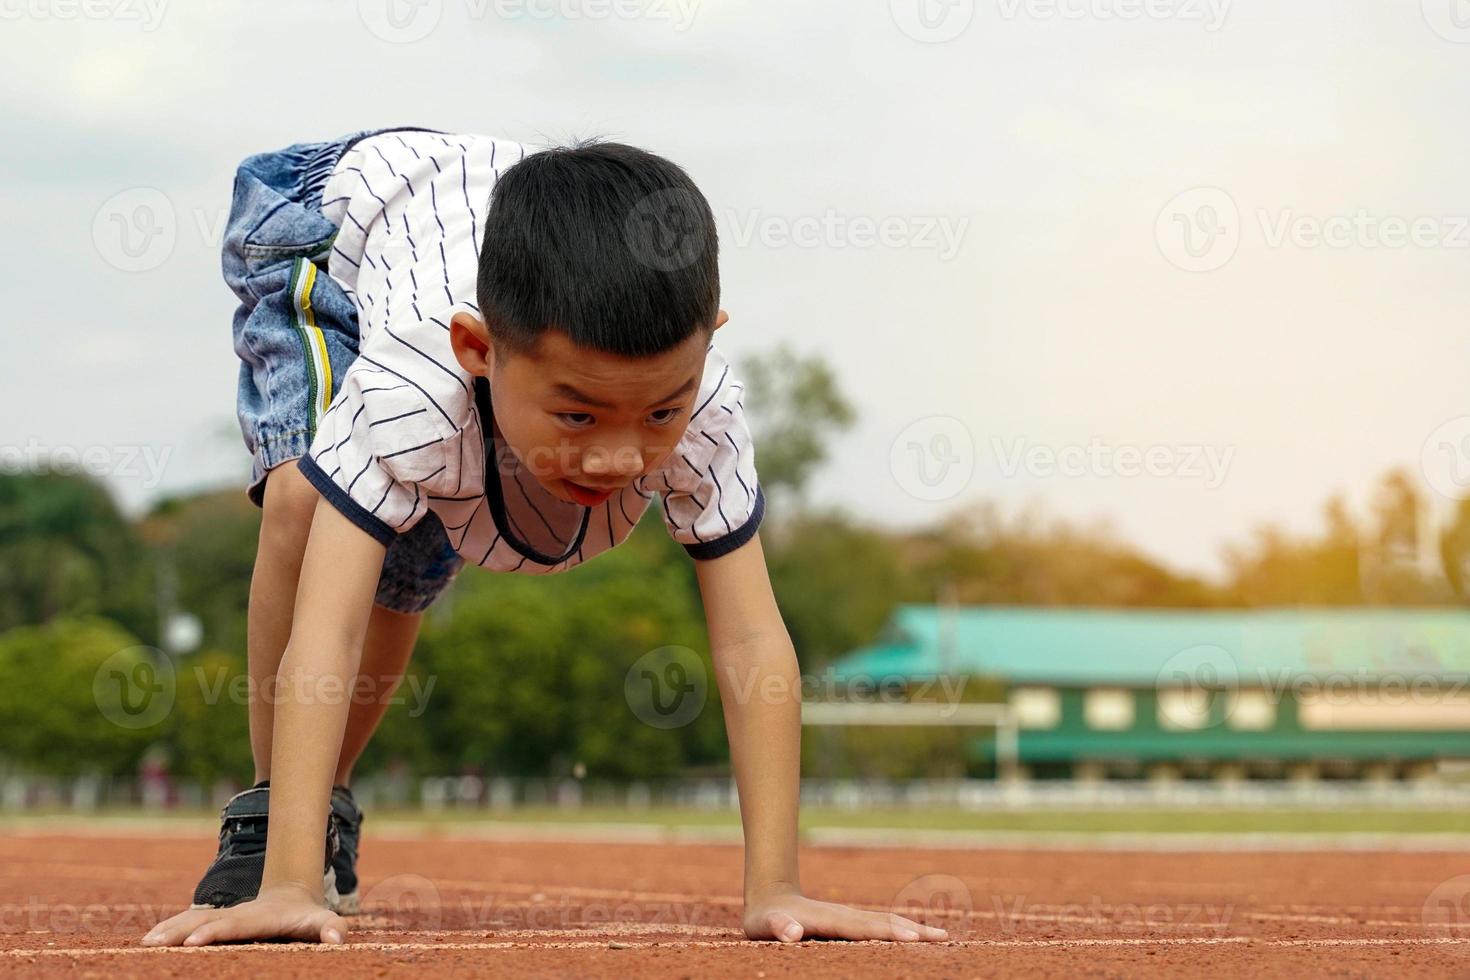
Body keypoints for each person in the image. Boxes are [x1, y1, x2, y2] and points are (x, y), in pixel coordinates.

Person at [141, 126, 947, 947]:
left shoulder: (707, 414)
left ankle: (329, 807)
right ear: (478, 350)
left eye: (659, 410)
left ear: (709, 342)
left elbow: (750, 640)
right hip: (324, 222)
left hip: (469, 229)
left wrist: (777, 888)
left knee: (409, 560)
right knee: (304, 502)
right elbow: (329, 626)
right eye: (577, 415)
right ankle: (274, 819)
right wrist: (284, 885)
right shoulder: (415, 393)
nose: (618, 456)